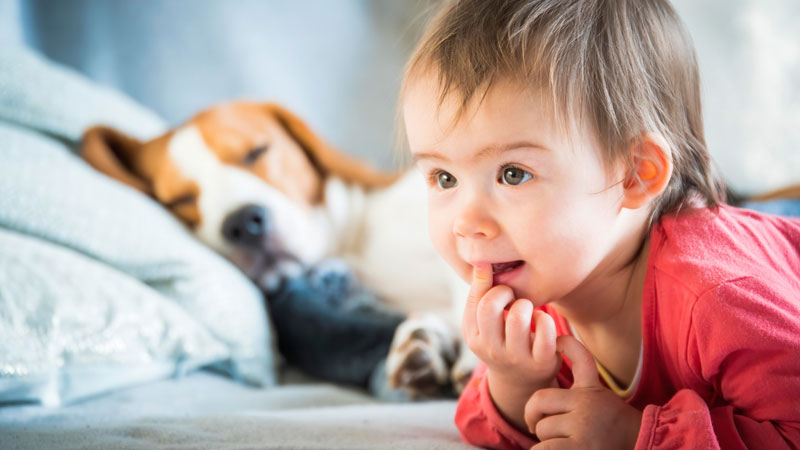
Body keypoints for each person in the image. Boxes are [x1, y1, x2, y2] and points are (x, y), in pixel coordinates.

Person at [398, 0, 800, 448]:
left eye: (513, 173)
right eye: (444, 178)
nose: (467, 222)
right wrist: (515, 380)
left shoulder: (719, 300)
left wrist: (635, 437)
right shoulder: (546, 281)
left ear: (633, 174)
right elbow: (481, 424)